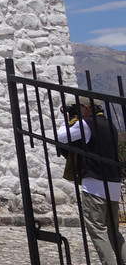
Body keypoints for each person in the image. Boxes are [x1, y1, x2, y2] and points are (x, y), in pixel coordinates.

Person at [56, 97, 125, 265]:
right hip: (114, 184)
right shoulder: (110, 125)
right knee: (114, 232)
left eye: (78, 108)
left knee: (97, 229)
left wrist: (66, 120)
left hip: (95, 185)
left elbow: (62, 137)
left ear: (86, 108)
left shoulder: (86, 124)